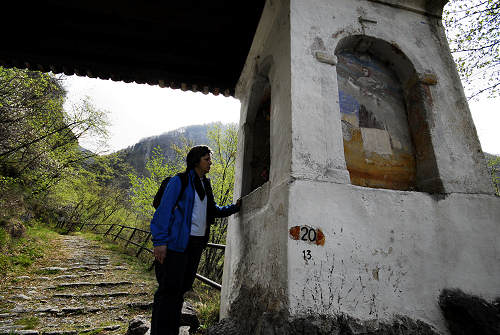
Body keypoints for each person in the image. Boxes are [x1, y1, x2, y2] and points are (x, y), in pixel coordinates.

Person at [150, 145, 241, 335]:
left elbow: (213, 210)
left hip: (196, 245)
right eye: (207, 159)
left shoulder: (205, 184)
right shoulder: (179, 181)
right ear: (196, 160)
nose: (210, 163)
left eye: (210, 159)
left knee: (180, 289)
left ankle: (170, 330)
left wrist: (236, 207)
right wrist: (159, 242)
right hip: (176, 244)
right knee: (168, 291)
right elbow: (163, 211)